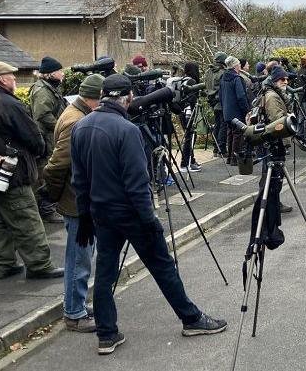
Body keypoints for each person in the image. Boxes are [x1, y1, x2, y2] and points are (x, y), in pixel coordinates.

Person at [70, 74, 227, 355]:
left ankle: (107, 334)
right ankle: (191, 319)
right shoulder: (126, 130)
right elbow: (137, 183)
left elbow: (79, 179)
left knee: (105, 275)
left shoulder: (81, 126)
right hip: (131, 214)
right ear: (128, 98)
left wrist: (85, 215)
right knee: (163, 267)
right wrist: (149, 219)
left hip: (101, 213)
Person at [0, 62, 62, 280]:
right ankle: (40, 265)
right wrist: (40, 149)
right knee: (27, 219)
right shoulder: (7, 103)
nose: (15, 80)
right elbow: (32, 136)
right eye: (12, 77)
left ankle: (4, 264)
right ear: (2, 80)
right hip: (11, 172)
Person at [43, 74, 104, 333]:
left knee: (81, 257)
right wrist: (56, 196)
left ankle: (76, 304)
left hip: (74, 199)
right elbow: (58, 165)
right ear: (95, 98)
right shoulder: (75, 121)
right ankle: (74, 313)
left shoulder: (74, 113)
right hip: (75, 201)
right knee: (79, 260)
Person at [29, 56, 67, 224]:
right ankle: (47, 210)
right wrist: (62, 125)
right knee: (47, 173)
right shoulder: (42, 91)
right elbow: (43, 115)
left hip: (51, 137)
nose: (63, 74)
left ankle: (49, 207)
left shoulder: (50, 88)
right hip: (46, 138)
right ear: (51, 73)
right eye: (60, 71)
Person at [258, 65, 293, 213]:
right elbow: (277, 121)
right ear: (275, 80)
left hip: (274, 140)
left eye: (286, 79)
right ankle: (271, 205)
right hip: (274, 140)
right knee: (272, 175)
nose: (285, 82)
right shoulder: (272, 97)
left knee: (272, 174)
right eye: (282, 79)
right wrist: (290, 119)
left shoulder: (274, 94)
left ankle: (271, 203)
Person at [220, 56, 250, 166]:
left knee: (230, 133)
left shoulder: (223, 78)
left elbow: (220, 95)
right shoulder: (237, 79)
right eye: (238, 65)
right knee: (238, 134)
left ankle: (229, 157)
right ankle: (234, 158)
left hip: (227, 111)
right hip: (237, 111)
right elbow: (241, 96)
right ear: (235, 66)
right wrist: (246, 110)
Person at [179, 61, 203, 173]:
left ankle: (191, 161)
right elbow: (192, 99)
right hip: (189, 112)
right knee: (190, 137)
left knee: (189, 136)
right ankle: (185, 163)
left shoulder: (182, 79)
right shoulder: (192, 81)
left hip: (182, 112)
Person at [203, 52, 228, 157]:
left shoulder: (208, 72)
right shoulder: (223, 72)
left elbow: (205, 86)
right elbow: (224, 89)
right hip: (220, 101)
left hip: (211, 101)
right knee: (223, 125)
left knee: (217, 125)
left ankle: (215, 148)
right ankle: (221, 149)